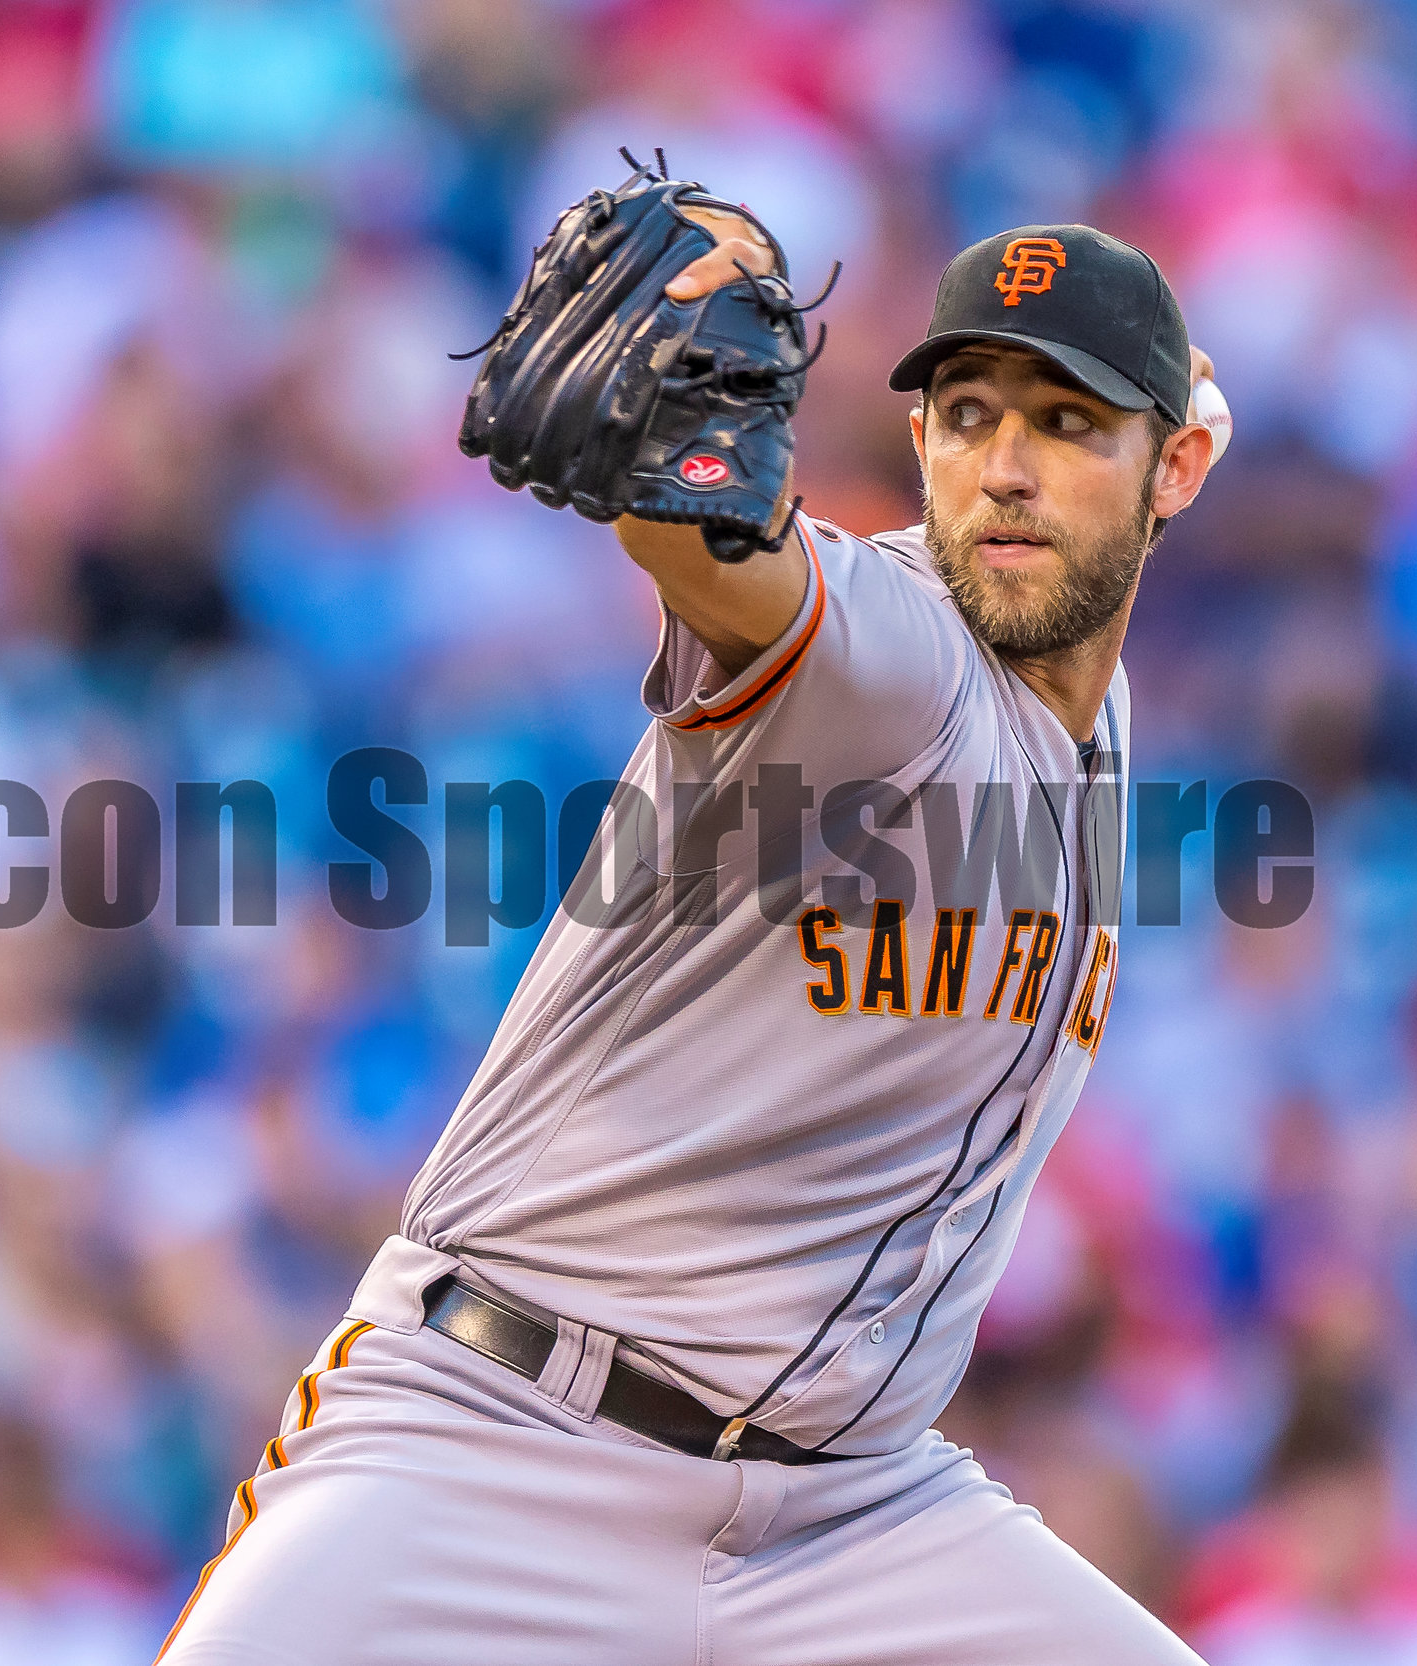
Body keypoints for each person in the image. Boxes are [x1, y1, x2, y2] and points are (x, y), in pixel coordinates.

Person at [158, 187, 1222, 1664]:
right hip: (505, 1439)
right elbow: (731, 554)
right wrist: (682, 468)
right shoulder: (891, 658)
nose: (1008, 469)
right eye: (969, 415)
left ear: (1178, 464)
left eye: (1069, 423)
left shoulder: (1094, 711)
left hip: (853, 1520)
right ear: (916, 444)